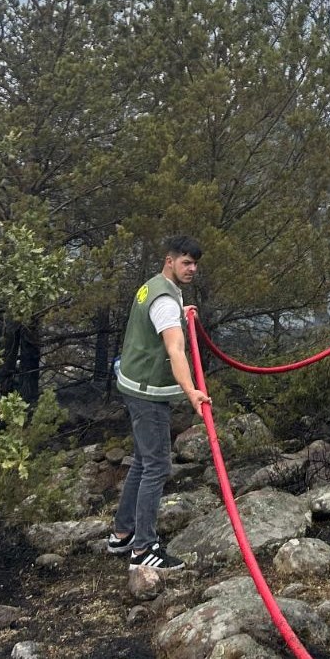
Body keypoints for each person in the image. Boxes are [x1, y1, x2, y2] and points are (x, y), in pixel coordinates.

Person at [107, 235, 211, 571]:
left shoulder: (154, 287)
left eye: (195, 263)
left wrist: (183, 312)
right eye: (186, 262)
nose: (192, 268)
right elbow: (175, 349)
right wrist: (192, 389)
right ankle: (143, 549)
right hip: (147, 393)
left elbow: (161, 319)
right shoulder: (165, 301)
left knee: (142, 461)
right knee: (157, 467)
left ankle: (122, 534)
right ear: (170, 261)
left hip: (132, 383)